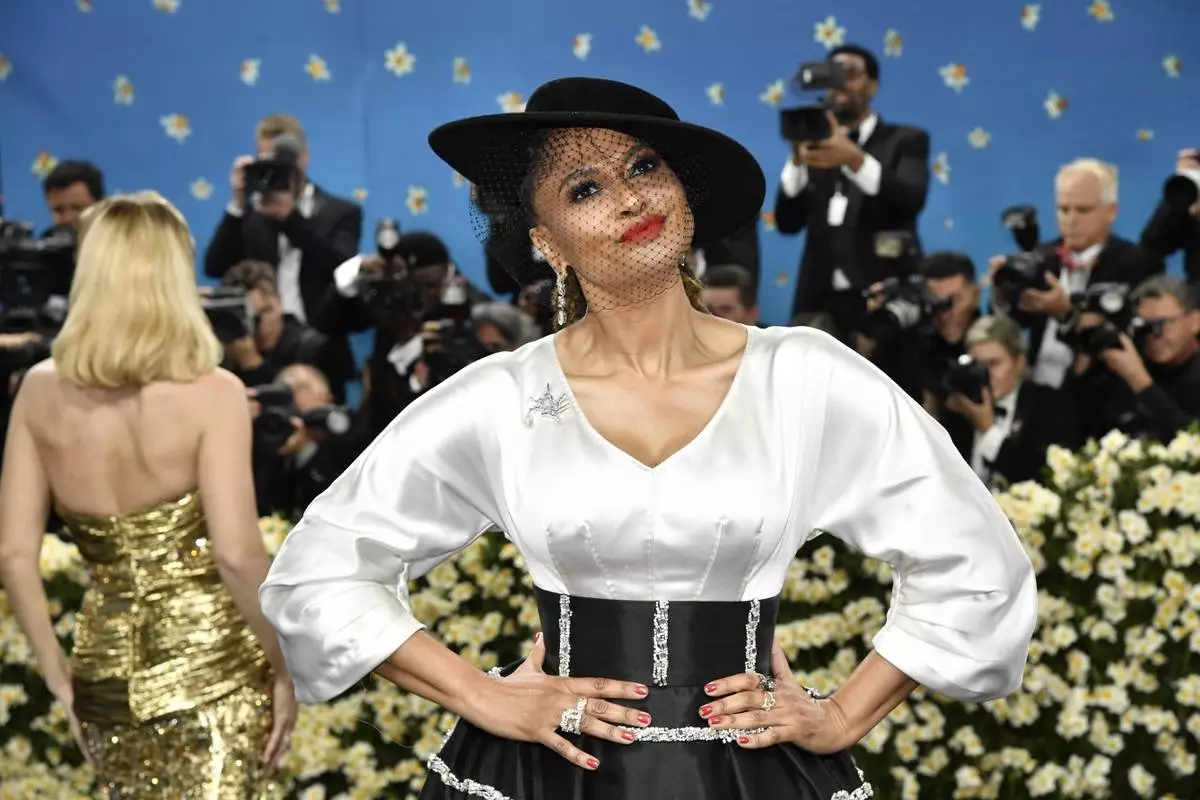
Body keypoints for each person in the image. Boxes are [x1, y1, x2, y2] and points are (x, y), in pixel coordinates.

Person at [259, 78, 1036, 799]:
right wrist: (481, 694)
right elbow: (317, 573)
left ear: (687, 199)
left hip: (756, 774)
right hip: (545, 773)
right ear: (546, 242)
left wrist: (843, 717)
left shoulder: (803, 377)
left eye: (646, 167)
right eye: (586, 188)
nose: (630, 197)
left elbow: (975, 563)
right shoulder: (502, 398)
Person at [0, 192, 295, 797]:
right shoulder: (213, 392)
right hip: (216, 674)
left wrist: (60, 680)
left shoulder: (37, 390)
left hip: (101, 679)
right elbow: (237, 556)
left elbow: (12, 556)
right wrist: (285, 664)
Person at [774, 44, 931, 339]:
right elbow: (787, 222)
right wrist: (797, 157)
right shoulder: (815, 144)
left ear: (872, 85)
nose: (841, 83)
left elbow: (910, 200)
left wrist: (854, 159)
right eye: (832, 75)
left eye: (851, 73)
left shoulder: (906, 139)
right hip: (817, 301)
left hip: (881, 297)